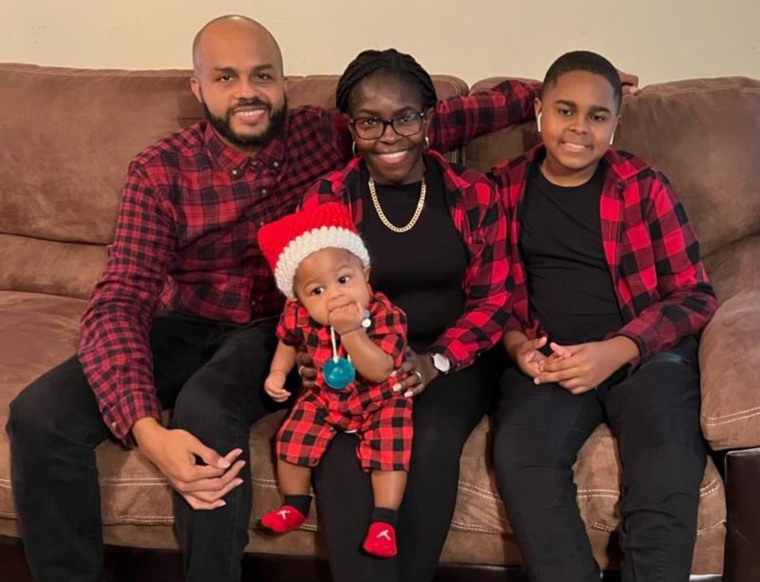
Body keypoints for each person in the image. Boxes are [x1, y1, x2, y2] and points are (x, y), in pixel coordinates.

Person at [5, 14, 539, 582]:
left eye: (262, 76)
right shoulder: (160, 172)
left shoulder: (320, 134)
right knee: (37, 417)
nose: (247, 93)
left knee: (206, 407)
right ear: (198, 88)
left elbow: (420, 117)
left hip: (275, 324)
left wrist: (551, 94)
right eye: (226, 78)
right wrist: (144, 428)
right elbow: (122, 300)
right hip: (186, 319)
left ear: (284, 81)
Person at [488, 50, 718, 582]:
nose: (579, 128)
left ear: (616, 123)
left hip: (643, 354)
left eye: (597, 116)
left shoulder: (644, 185)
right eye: (565, 110)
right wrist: (519, 347)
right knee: (522, 455)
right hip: (551, 358)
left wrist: (619, 349)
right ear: (539, 110)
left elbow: (695, 293)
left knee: (666, 465)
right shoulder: (500, 188)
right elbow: (487, 295)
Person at [297, 48, 510, 582]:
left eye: (405, 117)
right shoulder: (327, 198)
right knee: (343, 450)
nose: (388, 135)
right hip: (354, 352)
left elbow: (493, 300)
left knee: (430, 437)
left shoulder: (472, 193)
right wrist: (311, 354)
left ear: (429, 120)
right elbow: (304, 297)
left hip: (449, 354)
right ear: (352, 127)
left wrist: (437, 361)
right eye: (370, 121)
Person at [256, 202, 411, 558]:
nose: (336, 295)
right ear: (298, 299)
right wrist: (277, 372)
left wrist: (352, 332)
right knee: (290, 438)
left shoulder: (387, 315)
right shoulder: (298, 315)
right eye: (317, 291)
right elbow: (287, 340)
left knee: (391, 449)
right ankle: (294, 504)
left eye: (344, 280)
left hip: (380, 398)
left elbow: (379, 369)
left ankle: (384, 521)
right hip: (326, 395)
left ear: (365, 274)